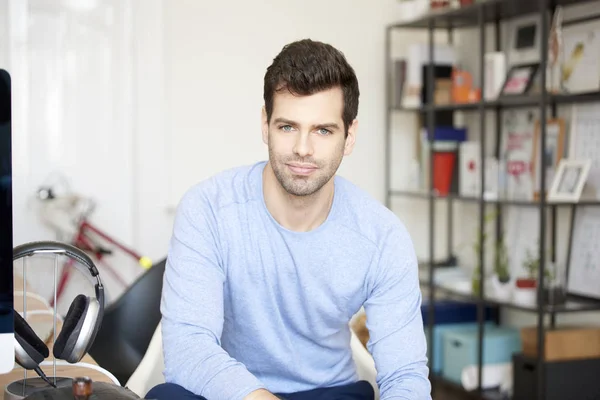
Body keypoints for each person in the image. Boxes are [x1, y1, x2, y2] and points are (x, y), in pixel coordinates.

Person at [145, 39, 431, 400]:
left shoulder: (381, 236)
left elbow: (405, 375)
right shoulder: (208, 209)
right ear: (266, 125)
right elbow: (187, 347)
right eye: (287, 127)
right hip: (234, 393)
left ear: (350, 136)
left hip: (330, 392)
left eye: (323, 130)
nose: (303, 149)